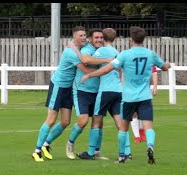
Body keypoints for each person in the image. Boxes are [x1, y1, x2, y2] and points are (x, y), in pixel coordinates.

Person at [80, 26, 171, 164]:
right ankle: (150, 146)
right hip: (145, 96)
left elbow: (106, 69)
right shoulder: (150, 54)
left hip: (128, 97)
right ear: (144, 39)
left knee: (122, 127)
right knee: (148, 127)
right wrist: (168, 65)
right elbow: (164, 67)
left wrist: (89, 75)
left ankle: (121, 156)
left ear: (131, 40)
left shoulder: (125, 54)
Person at [31, 26, 93, 162]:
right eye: (81, 36)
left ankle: (46, 144)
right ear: (74, 37)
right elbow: (85, 68)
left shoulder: (82, 46)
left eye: (84, 35)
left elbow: (90, 46)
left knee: (65, 121)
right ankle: (36, 151)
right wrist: (104, 72)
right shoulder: (70, 52)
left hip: (69, 88)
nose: (84, 38)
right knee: (51, 119)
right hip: (58, 86)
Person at [76, 28, 132, 160]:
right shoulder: (116, 52)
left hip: (106, 90)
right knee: (120, 122)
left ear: (103, 38)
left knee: (96, 120)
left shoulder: (101, 51)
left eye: (101, 37)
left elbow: (86, 60)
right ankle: (127, 152)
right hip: (118, 90)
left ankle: (90, 152)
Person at [65, 28, 107, 160]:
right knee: (82, 121)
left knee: (98, 123)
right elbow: (86, 60)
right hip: (82, 91)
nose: (99, 40)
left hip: (98, 92)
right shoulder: (87, 49)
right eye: (96, 37)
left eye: (101, 37)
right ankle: (70, 144)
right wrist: (108, 60)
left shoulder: (103, 51)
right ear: (90, 39)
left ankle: (96, 151)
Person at [131, 66, 158, 143]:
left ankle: (142, 132)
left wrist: (155, 86)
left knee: (143, 113)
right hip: (132, 90)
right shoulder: (131, 58)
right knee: (134, 113)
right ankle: (137, 136)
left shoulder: (148, 58)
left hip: (145, 91)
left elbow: (154, 71)